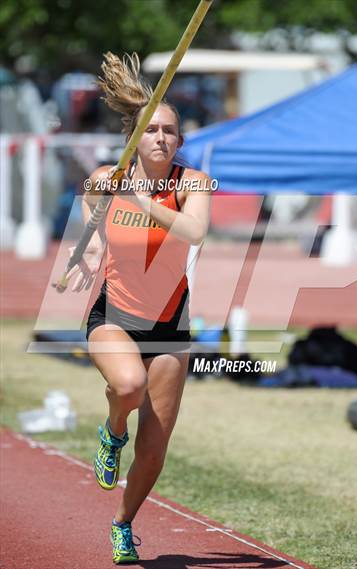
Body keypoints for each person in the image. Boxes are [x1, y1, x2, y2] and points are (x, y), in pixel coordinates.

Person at [69, 52, 211, 565]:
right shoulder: (111, 176)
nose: (160, 138)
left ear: (179, 140)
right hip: (115, 317)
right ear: (136, 135)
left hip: (170, 327)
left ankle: (123, 524)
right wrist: (88, 248)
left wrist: (142, 198)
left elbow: (195, 231)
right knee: (126, 387)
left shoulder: (191, 183)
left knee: (154, 447)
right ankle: (111, 430)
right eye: (150, 130)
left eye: (169, 131)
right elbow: (89, 196)